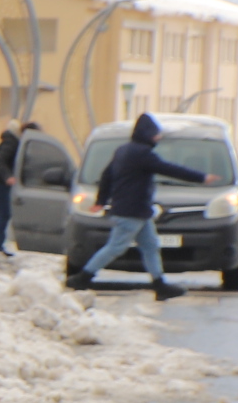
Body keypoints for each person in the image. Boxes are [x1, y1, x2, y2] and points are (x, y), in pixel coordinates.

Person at [68, 111, 192, 301]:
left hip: (138, 211)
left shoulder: (123, 150)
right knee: (116, 247)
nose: (158, 138)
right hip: (131, 211)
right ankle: (83, 277)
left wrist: (101, 200)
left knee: (150, 246)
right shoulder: (142, 154)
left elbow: (106, 175)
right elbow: (169, 169)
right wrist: (201, 177)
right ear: (147, 134)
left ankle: (160, 285)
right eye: (156, 134)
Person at [0, 121, 24, 257]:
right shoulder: (11, 143)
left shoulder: (8, 141)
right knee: (3, 214)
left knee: (2, 214)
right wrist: (7, 176)